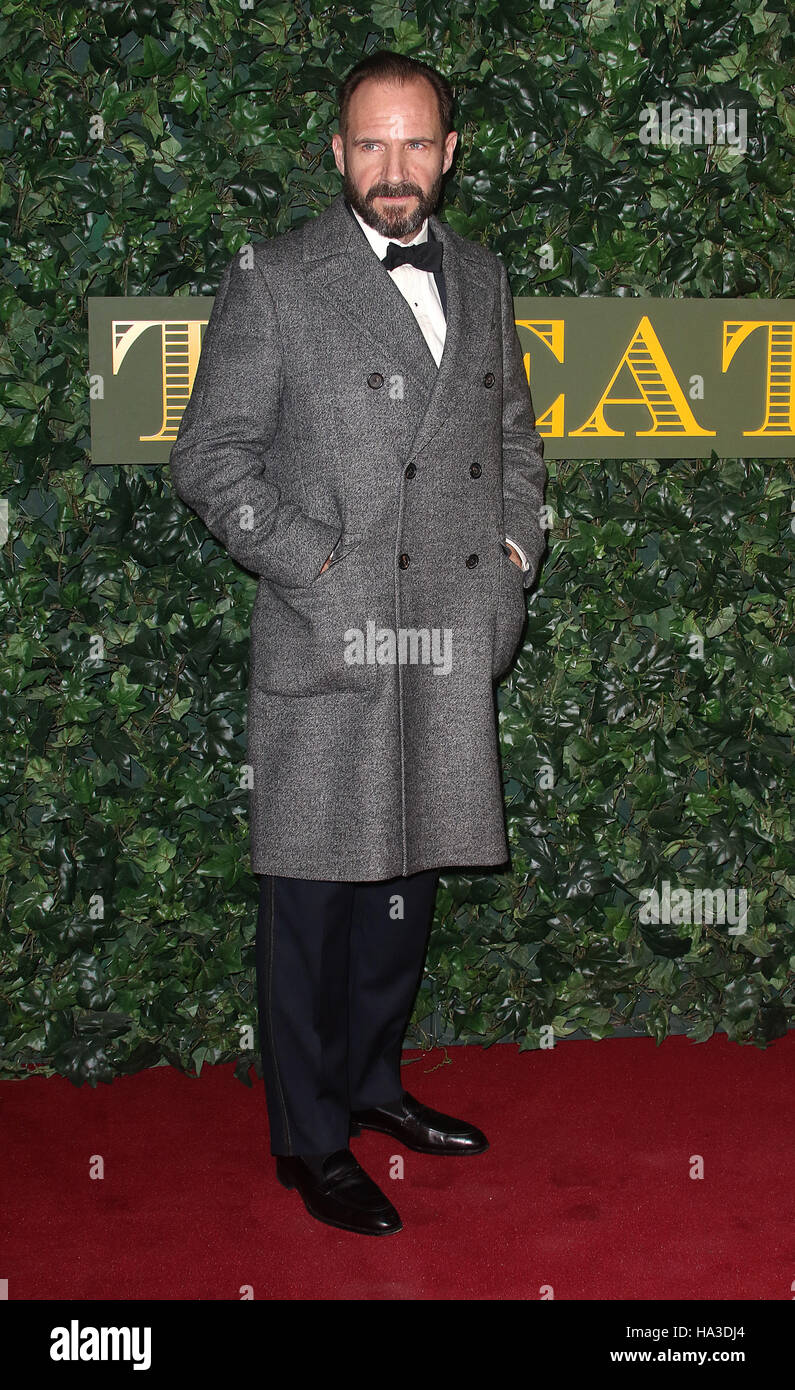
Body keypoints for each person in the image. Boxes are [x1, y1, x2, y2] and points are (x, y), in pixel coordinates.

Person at [169, 50, 546, 1237]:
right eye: (369, 146)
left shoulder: (482, 276)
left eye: (415, 144)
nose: (394, 169)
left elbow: (515, 437)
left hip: (445, 641)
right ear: (338, 154)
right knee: (314, 911)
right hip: (328, 645)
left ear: (448, 153)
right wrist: (321, 575)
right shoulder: (276, 280)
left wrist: (516, 562)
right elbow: (209, 459)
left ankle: (375, 1087)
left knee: (405, 897)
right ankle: (311, 1139)